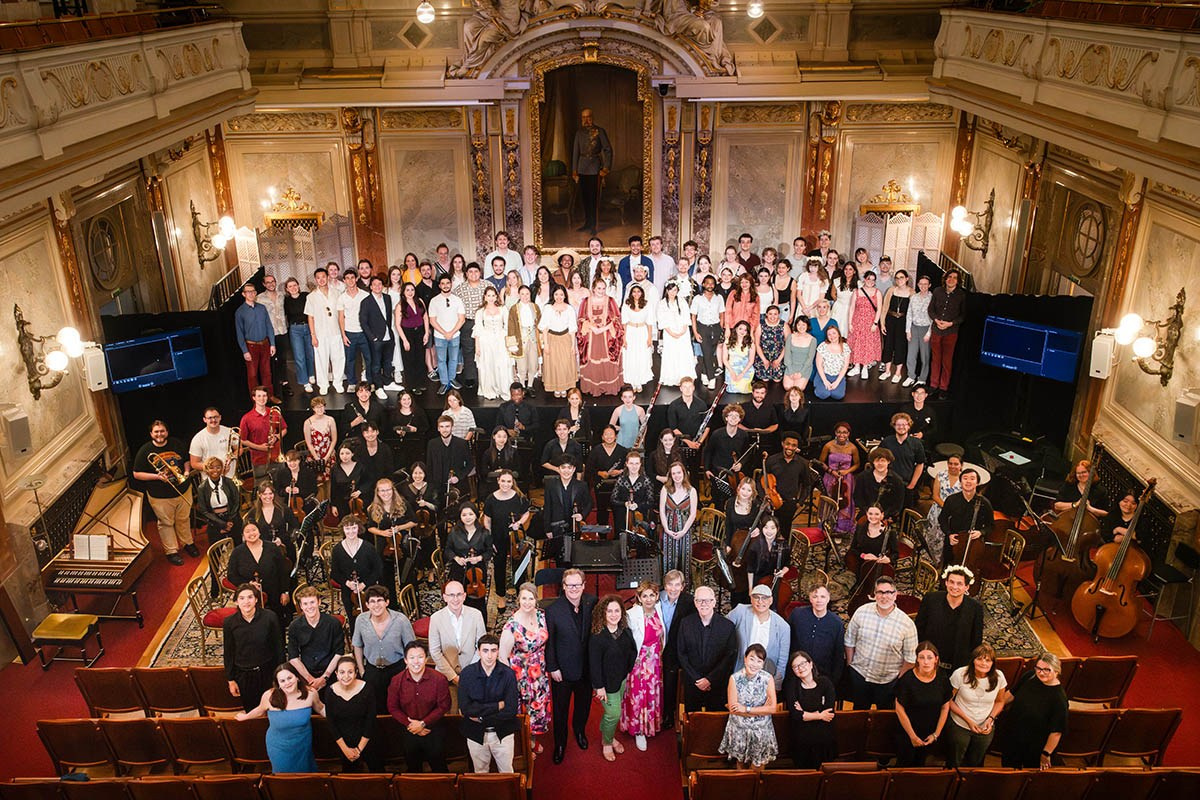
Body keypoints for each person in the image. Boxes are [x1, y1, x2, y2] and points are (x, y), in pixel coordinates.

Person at [545, 568, 598, 763]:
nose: (573, 589)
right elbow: (550, 642)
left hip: (586, 669)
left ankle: (579, 731)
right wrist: (552, 667)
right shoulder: (552, 610)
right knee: (560, 710)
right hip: (562, 671)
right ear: (563, 586)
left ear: (584, 586)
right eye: (569, 585)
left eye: (577, 585)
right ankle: (560, 743)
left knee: (583, 706)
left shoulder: (592, 603)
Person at [235, 663, 324, 773]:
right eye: (282, 681)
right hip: (279, 746)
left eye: (290, 678)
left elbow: (321, 708)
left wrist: (340, 714)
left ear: (297, 677)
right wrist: (246, 716)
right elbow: (260, 710)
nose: (287, 683)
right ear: (278, 684)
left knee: (305, 774)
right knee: (282, 775)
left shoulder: (311, 693)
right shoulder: (269, 696)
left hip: (303, 744)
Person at [844, 575, 917, 709]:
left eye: (888, 592)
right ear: (874, 594)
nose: (884, 596)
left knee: (883, 717)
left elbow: (911, 659)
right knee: (859, 713)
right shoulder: (861, 612)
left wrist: (898, 678)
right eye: (880, 592)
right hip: (860, 675)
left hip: (888, 682)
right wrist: (850, 664)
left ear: (895, 595)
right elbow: (849, 640)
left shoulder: (907, 624)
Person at [131, 420, 196, 566]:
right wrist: (157, 477)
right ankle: (171, 551)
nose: (159, 434)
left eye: (162, 431)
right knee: (166, 523)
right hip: (160, 495)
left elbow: (186, 460)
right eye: (156, 432)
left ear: (166, 432)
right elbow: (136, 474)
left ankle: (188, 543)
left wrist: (186, 471)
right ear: (151, 434)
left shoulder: (176, 443)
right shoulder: (145, 450)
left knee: (184, 519)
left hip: (183, 490)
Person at [500, 582, 551, 749]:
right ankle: (524, 743)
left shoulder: (541, 616)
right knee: (525, 710)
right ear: (518, 600)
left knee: (537, 706)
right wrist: (508, 683)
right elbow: (502, 657)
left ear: (536, 600)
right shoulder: (511, 626)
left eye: (531, 598)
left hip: (540, 672)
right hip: (521, 676)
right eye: (524, 598)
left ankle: (532, 739)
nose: (527, 602)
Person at [388, 640, 452, 772]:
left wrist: (423, 723)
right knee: (413, 769)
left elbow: (444, 706)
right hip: (409, 730)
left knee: (440, 768)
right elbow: (393, 707)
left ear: (426, 659)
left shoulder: (439, 679)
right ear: (405, 660)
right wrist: (411, 725)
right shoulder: (397, 680)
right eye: (412, 658)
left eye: (420, 657)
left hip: (433, 729)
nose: (416, 662)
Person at [460, 633, 520, 773]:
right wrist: (497, 706)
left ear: (498, 651)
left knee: (506, 772)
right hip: (475, 733)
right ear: (478, 651)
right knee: (480, 772)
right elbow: (466, 709)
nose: (489, 656)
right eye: (485, 650)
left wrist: (481, 717)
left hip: (503, 732)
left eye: (493, 650)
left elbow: (511, 710)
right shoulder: (467, 674)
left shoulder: (508, 674)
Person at [427, 580, 487, 713]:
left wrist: (468, 673)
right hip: (446, 674)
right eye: (451, 595)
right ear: (445, 597)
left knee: (474, 712)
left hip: (472, 672)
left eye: (459, 594)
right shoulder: (436, 618)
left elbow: (482, 646)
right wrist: (454, 677)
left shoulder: (476, 615)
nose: (455, 599)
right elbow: (435, 652)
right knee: (450, 714)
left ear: (464, 596)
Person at [1000, 652, 1068, 769]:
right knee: (1008, 768)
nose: (1041, 673)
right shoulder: (1030, 676)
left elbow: (1056, 731)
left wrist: (1046, 753)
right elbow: (1011, 694)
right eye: (1038, 668)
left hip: (1034, 746)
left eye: (1047, 670)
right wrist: (994, 709)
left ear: (1056, 671)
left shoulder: (1059, 699)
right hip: (1013, 736)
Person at [589, 594, 637, 762]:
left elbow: (632, 651)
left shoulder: (625, 631)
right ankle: (607, 742)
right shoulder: (597, 636)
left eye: (617, 611)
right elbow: (594, 664)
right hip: (605, 684)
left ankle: (607, 733)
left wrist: (627, 671)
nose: (613, 614)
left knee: (613, 713)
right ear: (603, 612)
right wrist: (598, 687)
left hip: (621, 679)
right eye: (609, 611)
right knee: (614, 714)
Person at [223, 584, 284, 712]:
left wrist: (281, 674)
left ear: (256, 599)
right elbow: (228, 652)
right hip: (244, 675)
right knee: (252, 711)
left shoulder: (270, 617)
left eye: (250, 597)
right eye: (242, 598)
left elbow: (279, 647)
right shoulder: (229, 622)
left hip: (268, 672)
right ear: (236, 601)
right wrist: (231, 680)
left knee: (275, 709)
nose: (246, 601)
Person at [676, 585, 738, 712]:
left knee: (716, 720)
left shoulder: (727, 626)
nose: (703, 604)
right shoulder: (685, 623)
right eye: (699, 600)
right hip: (693, 683)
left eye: (707, 600)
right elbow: (681, 653)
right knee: (693, 720)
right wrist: (697, 679)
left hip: (717, 684)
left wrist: (710, 679)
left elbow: (729, 657)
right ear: (695, 603)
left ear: (714, 602)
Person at [947, 644, 1007, 767]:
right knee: (955, 760)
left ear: (993, 663)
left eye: (988, 660)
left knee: (975, 762)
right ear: (973, 660)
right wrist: (968, 721)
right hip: (960, 724)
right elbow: (948, 701)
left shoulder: (999, 677)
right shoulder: (960, 674)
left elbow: (1000, 701)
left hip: (985, 727)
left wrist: (990, 719)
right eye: (979, 659)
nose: (984, 663)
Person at [621, 581, 665, 751]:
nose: (648, 599)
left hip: (655, 661)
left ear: (657, 596)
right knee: (638, 694)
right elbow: (626, 642)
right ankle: (639, 730)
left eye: (652, 595)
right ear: (639, 598)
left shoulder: (659, 610)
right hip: (639, 662)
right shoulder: (631, 615)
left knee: (652, 693)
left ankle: (651, 724)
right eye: (644, 596)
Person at [719, 644, 779, 768]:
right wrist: (762, 710)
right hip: (739, 729)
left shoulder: (768, 678)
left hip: (761, 730)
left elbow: (773, 708)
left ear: (762, 664)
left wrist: (745, 709)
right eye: (752, 659)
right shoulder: (734, 678)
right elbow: (734, 709)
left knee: (758, 765)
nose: (754, 664)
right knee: (740, 764)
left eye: (759, 661)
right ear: (745, 658)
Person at [894, 641, 952, 766]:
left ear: (936, 659)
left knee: (921, 764)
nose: (926, 662)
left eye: (929, 658)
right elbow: (899, 709)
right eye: (922, 657)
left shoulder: (942, 677)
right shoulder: (907, 679)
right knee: (904, 764)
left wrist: (936, 734)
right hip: (907, 731)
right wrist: (913, 736)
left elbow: (945, 707)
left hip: (929, 732)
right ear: (917, 659)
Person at [916, 565, 984, 671]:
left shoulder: (976, 608)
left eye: (959, 584)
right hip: (929, 661)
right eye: (951, 582)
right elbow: (919, 628)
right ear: (946, 583)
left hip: (958, 664)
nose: (954, 587)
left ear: (967, 587)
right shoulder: (930, 599)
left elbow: (976, 640)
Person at [482, 469, 531, 606]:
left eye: (509, 481)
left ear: (512, 482)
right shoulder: (491, 499)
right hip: (498, 536)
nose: (506, 484)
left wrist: (519, 523)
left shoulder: (519, 497)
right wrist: (489, 538)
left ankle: (520, 593)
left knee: (518, 563)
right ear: (498, 481)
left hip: (515, 537)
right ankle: (501, 596)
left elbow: (526, 513)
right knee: (499, 565)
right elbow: (487, 520)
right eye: (503, 481)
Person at [727, 584, 790, 690]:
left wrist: (776, 685)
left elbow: (783, 660)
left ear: (771, 600)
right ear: (751, 599)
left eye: (764, 598)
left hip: (767, 675)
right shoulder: (740, 612)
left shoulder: (783, 626)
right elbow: (723, 628)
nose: (760, 602)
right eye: (756, 597)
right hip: (740, 671)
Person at [227, 521, 291, 621]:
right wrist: (248, 584)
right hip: (250, 598)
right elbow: (231, 575)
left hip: (274, 593)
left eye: (254, 530)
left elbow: (283, 571)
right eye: (247, 531)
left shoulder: (272, 547)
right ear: (243, 535)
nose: (251, 533)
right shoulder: (237, 552)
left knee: (277, 621)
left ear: (259, 531)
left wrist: (285, 591)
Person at [783, 650, 837, 769]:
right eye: (796, 666)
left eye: (803, 663)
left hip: (823, 733)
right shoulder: (792, 686)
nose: (800, 668)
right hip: (801, 735)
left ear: (811, 664)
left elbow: (829, 713)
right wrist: (819, 715)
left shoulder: (825, 683)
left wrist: (805, 713)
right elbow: (796, 715)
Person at [287, 586, 344, 692]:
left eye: (312, 602)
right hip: (306, 673)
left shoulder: (333, 623)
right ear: (301, 606)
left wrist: (324, 677)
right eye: (305, 604)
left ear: (319, 602)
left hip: (331, 672)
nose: (309, 607)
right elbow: (293, 657)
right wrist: (310, 679)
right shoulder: (294, 626)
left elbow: (339, 653)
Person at [324, 656, 375, 772]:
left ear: (356, 673)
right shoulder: (330, 692)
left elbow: (370, 721)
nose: (346, 676)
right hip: (343, 742)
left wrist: (359, 749)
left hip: (367, 739)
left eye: (350, 672)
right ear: (336, 674)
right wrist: (345, 749)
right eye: (342, 672)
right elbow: (331, 723)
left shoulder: (367, 689)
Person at [445, 502, 493, 622]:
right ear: (460, 516)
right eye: (464, 515)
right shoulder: (454, 532)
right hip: (459, 570)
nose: (468, 517)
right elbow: (447, 550)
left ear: (476, 515)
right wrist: (456, 558)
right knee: (458, 598)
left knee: (478, 600)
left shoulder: (484, 532)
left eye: (471, 514)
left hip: (477, 572)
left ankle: (480, 624)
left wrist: (479, 558)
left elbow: (489, 552)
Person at [788, 584, 845, 686]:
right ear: (810, 598)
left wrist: (833, 682)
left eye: (823, 597)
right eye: (815, 596)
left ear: (828, 598)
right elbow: (787, 641)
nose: (819, 600)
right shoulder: (797, 615)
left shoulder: (836, 623)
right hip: (796, 672)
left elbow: (838, 655)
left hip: (822, 675)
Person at [578, 278, 625, 395]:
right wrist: (591, 327)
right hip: (591, 336)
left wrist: (604, 328)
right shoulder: (586, 301)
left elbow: (617, 319)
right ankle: (593, 387)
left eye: (604, 288)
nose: (601, 291)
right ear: (593, 289)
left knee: (608, 360)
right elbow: (581, 318)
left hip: (606, 336)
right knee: (591, 360)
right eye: (599, 288)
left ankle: (608, 387)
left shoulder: (611, 301)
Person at [940, 469, 993, 569]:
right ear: (960, 482)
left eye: (972, 479)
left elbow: (990, 526)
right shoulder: (951, 500)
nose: (968, 481)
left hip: (973, 544)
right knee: (948, 568)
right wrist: (949, 534)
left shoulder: (984, 503)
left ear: (977, 483)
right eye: (965, 478)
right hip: (954, 540)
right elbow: (942, 519)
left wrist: (981, 532)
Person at [332, 516, 383, 617]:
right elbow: (334, 573)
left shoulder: (368, 547)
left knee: (372, 618)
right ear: (343, 529)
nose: (351, 532)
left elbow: (378, 569)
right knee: (352, 618)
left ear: (359, 528)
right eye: (347, 528)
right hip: (348, 592)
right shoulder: (337, 550)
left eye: (354, 528)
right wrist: (347, 583)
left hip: (368, 589)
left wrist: (364, 584)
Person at [572, 107, 612, 235]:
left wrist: (606, 168)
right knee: (584, 198)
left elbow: (608, 150)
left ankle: (594, 225)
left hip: (595, 168)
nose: (586, 120)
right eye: (583, 117)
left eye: (588, 117)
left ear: (592, 118)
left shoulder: (600, 131)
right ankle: (587, 223)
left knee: (593, 199)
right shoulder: (579, 133)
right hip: (582, 168)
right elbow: (575, 152)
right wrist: (574, 170)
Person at [542, 456, 592, 559]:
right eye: (563, 467)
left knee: (574, 555)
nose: (566, 471)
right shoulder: (550, 485)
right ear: (558, 469)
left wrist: (582, 515)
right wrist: (548, 529)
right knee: (558, 556)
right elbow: (547, 508)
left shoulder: (581, 485)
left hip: (574, 527)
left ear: (574, 469)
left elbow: (589, 503)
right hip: (556, 527)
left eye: (569, 468)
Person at [306, 267, 345, 394]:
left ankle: (338, 382)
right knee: (321, 360)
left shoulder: (337, 293)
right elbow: (310, 317)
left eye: (323, 277)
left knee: (338, 358)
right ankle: (323, 384)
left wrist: (343, 332)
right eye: (318, 278)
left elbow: (341, 313)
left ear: (328, 277)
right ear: (315, 280)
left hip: (335, 331)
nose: (321, 280)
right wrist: (313, 335)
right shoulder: (311, 296)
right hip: (320, 333)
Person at [235, 282, 276, 399]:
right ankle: (256, 400)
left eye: (253, 291)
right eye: (248, 292)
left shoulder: (262, 308)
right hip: (251, 346)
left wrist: (272, 344)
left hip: (265, 344)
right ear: (243, 294)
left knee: (266, 372)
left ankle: (270, 396)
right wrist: (245, 351)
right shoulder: (240, 312)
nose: (251, 294)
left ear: (256, 293)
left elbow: (269, 326)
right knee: (252, 375)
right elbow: (239, 333)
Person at [928, 268, 965, 399]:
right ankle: (933, 385)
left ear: (958, 281)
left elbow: (963, 316)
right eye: (949, 277)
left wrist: (951, 323)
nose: (951, 279)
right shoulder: (937, 291)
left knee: (947, 361)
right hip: (937, 329)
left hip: (951, 331)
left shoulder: (961, 295)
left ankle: (943, 387)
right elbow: (931, 309)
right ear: (945, 278)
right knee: (935, 359)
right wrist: (936, 320)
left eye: (954, 278)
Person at [764, 430, 810, 530]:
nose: (790, 447)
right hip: (771, 501)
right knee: (769, 529)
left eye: (794, 445)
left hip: (790, 503)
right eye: (787, 444)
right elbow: (761, 480)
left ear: (797, 447)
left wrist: (799, 502)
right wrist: (764, 497)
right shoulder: (771, 460)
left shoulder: (803, 463)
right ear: (782, 444)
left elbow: (807, 485)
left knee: (785, 530)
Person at [539, 285, 579, 398]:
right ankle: (556, 387)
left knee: (565, 364)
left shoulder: (569, 309)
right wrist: (546, 344)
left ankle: (564, 387)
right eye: (556, 294)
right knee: (554, 364)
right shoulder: (548, 308)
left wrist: (573, 345)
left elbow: (572, 328)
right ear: (553, 295)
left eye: (561, 294)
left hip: (565, 338)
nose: (559, 297)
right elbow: (544, 328)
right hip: (551, 338)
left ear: (565, 295)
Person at [240, 386, 286, 482]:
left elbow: (284, 429)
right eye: (259, 396)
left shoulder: (275, 412)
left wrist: (276, 438)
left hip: (276, 456)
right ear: (254, 398)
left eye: (264, 396)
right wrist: (259, 447)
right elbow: (243, 440)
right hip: (259, 460)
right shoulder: (246, 418)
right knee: (262, 487)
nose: (262, 399)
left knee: (281, 485)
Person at [429, 274, 466, 395]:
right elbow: (432, 320)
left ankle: (452, 379)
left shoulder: (457, 300)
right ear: (439, 285)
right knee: (441, 360)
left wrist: (452, 332)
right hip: (440, 336)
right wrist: (445, 333)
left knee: (454, 359)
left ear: (451, 284)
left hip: (455, 335)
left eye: (448, 283)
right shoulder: (434, 301)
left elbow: (462, 319)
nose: (445, 286)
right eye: (443, 283)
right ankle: (444, 383)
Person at [819, 422, 859, 535]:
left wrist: (847, 471)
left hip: (846, 479)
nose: (842, 435)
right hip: (830, 477)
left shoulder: (853, 448)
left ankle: (842, 527)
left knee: (845, 503)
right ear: (835, 433)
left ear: (848, 434)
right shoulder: (828, 446)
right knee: (830, 501)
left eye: (845, 432)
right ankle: (827, 526)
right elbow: (821, 462)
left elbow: (857, 464)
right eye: (839, 432)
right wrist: (831, 471)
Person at [658, 279, 699, 387]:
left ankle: (685, 376)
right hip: (669, 333)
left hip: (683, 332)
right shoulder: (662, 303)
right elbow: (661, 320)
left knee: (684, 353)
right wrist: (671, 333)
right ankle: (673, 377)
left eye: (675, 290)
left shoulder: (682, 301)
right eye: (670, 290)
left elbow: (686, 316)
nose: (672, 292)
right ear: (667, 290)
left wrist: (683, 330)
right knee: (672, 353)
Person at [585, 425, 627, 530]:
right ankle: (602, 535)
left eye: (611, 434)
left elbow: (628, 468)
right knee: (601, 511)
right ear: (602, 437)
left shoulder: (623, 451)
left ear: (616, 436)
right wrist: (599, 473)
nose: (609, 437)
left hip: (618, 486)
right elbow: (589, 469)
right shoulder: (596, 450)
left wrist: (619, 472)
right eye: (606, 434)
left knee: (619, 511)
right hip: (601, 486)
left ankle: (619, 535)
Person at [474, 285, 512, 400]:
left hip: (501, 340)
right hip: (486, 341)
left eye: (493, 295)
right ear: (485, 297)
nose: (491, 298)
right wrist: (477, 347)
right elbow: (478, 330)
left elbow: (508, 326)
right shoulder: (480, 311)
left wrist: (508, 342)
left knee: (502, 364)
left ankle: (503, 389)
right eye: (488, 295)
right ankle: (490, 390)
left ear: (496, 296)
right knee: (489, 365)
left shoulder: (503, 309)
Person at [660, 462, 697, 578]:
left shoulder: (692, 491)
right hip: (668, 528)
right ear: (670, 475)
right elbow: (662, 511)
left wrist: (683, 531)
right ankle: (668, 584)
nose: (677, 476)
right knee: (668, 559)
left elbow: (693, 514)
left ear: (684, 473)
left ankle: (684, 585)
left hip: (685, 529)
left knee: (684, 559)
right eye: (674, 473)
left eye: (679, 472)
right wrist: (666, 529)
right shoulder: (665, 489)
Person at [882, 412, 926, 511]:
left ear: (909, 426)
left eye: (904, 424)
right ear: (894, 426)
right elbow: (879, 461)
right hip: (888, 484)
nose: (901, 427)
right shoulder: (886, 442)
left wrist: (912, 484)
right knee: (886, 512)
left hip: (907, 485)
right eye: (898, 424)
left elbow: (920, 464)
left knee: (905, 514)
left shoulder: (916, 443)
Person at [926, 453, 963, 565]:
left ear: (961, 465)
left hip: (953, 516)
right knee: (931, 536)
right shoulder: (941, 475)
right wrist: (947, 508)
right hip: (937, 512)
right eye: (950, 463)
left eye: (956, 464)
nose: (952, 466)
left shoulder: (964, 480)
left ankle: (939, 563)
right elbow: (935, 496)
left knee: (945, 539)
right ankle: (927, 559)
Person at [196, 456, 242, 545]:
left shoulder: (229, 482)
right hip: (214, 521)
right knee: (218, 548)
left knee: (238, 544)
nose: (215, 470)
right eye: (211, 468)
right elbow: (203, 510)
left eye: (218, 467)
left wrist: (230, 520)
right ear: (206, 470)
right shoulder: (202, 488)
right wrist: (222, 524)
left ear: (222, 469)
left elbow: (236, 502)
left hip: (232, 518)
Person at [426, 416, 473, 503]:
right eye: (442, 427)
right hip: (438, 487)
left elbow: (470, 464)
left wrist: (459, 477)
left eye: (447, 426)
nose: (444, 430)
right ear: (438, 428)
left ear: (452, 427)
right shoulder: (432, 444)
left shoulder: (462, 443)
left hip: (458, 485)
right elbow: (429, 466)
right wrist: (431, 487)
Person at [337, 269, 371, 391]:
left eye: (352, 278)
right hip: (349, 333)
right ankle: (351, 383)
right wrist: (343, 335)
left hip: (364, 332)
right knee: (350, 359)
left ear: (356, 279)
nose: (350, 280)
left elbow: (370, 315)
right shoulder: (342, 298)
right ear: (344, 281)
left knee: (369, 358)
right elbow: (341, 317)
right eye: (347, 278)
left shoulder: (365, 295)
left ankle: (369, 382)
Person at [283, 277, 317, 393]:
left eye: (295, 285)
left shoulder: (306, 296)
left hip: (308, 327)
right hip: (295, 330)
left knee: (310, 354)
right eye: (290, 286)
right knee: (299, 357)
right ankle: (305, 382)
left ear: (298, 286)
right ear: (287, 289)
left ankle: (311, 374)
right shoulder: (286, 301)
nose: (293, 288)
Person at [853, 447, 906, 522]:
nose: (880, 463)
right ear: (873, 462)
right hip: (866, 514)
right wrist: (869, 512)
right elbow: (858, 498)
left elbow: (898, 504)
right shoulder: (862, 477)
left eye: (883, 460)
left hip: (887, 517)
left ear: (888, 461)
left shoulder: (897, 481)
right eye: (877, 460)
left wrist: (884, 515)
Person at [878, 269, 912, 384]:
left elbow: (912, 312)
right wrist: (882, 323)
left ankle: (898, 373)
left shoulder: (912, 292)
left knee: (900, 346)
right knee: (888, 344)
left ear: (907, 279)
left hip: (903, 321)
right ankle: (887, 371)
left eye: (901, 277)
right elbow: (885, 307)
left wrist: (909, 328)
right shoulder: (891, 290)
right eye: (897, 278)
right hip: (890, 320)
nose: (899, 280)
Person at [396, 282, 429, 396]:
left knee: (420, 358)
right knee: (410, 360)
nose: (410, 292)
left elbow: (425, 317)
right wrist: (405, 340)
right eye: (407, 290)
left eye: (412, 290)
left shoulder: (420, 301)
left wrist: (426, 333)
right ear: (403, 292)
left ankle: (421, 382)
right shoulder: (400, 305)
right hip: (407, 333)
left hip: (420, 332)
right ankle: (412, 385)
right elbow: (397, 325)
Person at [508, 285, 542, 391]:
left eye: (527, 294)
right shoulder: (514, 309)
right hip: (521, 340)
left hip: (533, 339)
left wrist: (541, 340)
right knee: (522, 366)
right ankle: (522, 386)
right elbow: (511, 327)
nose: (525, 296)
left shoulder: (535, 307)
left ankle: (530, 385)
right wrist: (512, 344)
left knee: (533, 364)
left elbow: (540, 323)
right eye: (522, 294)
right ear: (519, 295)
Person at [621, 286, 654, 391]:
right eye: (634, 292)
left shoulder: (647, 304)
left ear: (642, 293)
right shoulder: (626, 304)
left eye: (638, 291)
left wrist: (650, 337)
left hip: (642, 332)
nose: (636, 294)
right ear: (631, 293)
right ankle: (632, 381)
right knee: (631, 356)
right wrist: (624, 338)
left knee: (641, 356)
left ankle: (639, 381)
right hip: (630, 332)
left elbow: (650, 322)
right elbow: (624, 322)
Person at [188, 407, 237, 479]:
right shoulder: (198, 439)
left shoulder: (229, 431)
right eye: (210, 418)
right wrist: (215, 469)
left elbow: (239, 449)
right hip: (210, 479)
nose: (213, 420)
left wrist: (232, 456)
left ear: (220, 417)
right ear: (204, 420)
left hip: (231, 476)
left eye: (216, 417)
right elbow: (194, 464)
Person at [905, 273, 934, 387]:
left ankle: (922, 378)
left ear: (929, 285)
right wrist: (908, 330)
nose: (923, 286)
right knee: (911, 354)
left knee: (925, 356)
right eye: (921, 284)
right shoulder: (914, 297)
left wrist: (929, 333)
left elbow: (934, 318)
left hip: (925, 329)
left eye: (925, 284)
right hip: (914, 327)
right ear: (918, 284)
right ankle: (911, 376)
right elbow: (909, 314)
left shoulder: (932, 298)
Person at [813, 321, 851, 400]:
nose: (832, 336)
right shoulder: (823, 346)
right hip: (824, 375)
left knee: (838, 395)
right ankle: (819, 385)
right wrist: (825, 381)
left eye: (834, 333)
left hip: (837, 376)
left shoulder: (845, 347)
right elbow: (819, 365)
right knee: (824, 394)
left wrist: (837, 382)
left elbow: (845, 367)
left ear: (838, 334)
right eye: (829, 334)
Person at [303, 397, 336, 479]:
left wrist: (326, 457)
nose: (320, 409)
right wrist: (317, 458)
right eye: (317, 407)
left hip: (329, 452)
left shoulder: (330, 420)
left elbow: (334, 440)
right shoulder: (308, 422)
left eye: (322, 406)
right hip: (314, 454)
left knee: (332, 478)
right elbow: (309, 443)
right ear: (313, 408)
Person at [782, 316, 816, 391]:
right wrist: (791, 371)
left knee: (798, 389)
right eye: (799, 324)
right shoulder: (790, 337)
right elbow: (787, 356)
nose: (801, 327)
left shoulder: (813, 340)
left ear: (807, 325)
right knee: (787, 387)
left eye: (803, 324)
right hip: (791, 366)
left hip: (804, 368)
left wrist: (801, 373)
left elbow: (810, 359)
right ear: (796, 325)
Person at [754, 305, 787, 383]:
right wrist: (764, 360)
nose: (773, 316)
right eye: (770, 314)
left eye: (775, 314)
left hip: (778, 356)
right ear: (766, 314)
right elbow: (757, 344)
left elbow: (787, 345)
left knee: (777, 380)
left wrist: (778, 360)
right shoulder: (761, 325)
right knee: (765, 379)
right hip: (763, 355)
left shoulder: (784, 325)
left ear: (779, 314)